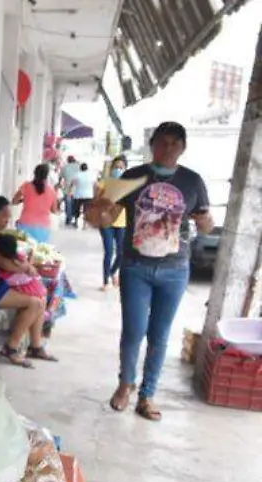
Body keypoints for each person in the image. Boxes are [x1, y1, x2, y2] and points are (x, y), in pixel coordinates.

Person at [87, 122, 214, 421]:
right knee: (133, 331)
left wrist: (205, 221)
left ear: (183, 148)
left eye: (174, 143)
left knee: (160, 334)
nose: (168, 148)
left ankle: (147, 395)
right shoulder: (133, 177)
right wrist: (99, 208)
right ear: (152, 144)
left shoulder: (193, 182)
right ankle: (125, 384)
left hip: (175, 269)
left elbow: (206, 226)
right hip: (135, 267)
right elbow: (103, 219)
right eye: (162, 142)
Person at [0, 191, 58, 367]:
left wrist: (25, 266)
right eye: (3, 216)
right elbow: (5, 264)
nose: (7, 221)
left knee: (41, 297)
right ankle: (11, 347)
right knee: (34, 303)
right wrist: (26, 268)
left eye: (8, 217)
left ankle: (35, 346)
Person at [95, 155, 129, 290]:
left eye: (121, 167)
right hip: (106, 221)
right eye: (116, 167)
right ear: (111, 168)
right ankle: (105, 281)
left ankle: (112, 272)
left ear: (125, 169)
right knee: (108, 251)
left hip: (122, 222)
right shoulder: (104, 182)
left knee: (121, 252)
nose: (118, 170)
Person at [0, 233, 47, 300]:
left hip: (14, 288)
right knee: (40, 297)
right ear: (14, 247)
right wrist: (31, 258)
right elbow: (28, 266)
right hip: (28, 285)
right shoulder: (19, 257)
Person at [12, 163, 60, 243]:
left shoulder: (26, 186)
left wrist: (23, 200)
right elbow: (54, 210)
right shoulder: (51, 191)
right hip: (43, 227)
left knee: (24, 248)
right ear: (46, 176)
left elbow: (14, 201)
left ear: (34, 173)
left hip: (25, 224)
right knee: (40, 249)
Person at [70, 162, 98, 228]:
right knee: (86, 210)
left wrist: (70, 191)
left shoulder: (77, 174)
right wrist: (95, 194)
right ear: (87, 168)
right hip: (89, 195)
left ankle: (76, 222)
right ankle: (84, 225)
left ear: (80, 168)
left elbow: (72, 183)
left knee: (76, 209)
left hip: (78, 195)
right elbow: (95, 185)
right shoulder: (92, 175)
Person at [58, 156, 80, 226]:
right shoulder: (78, 166)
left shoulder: (64, 167)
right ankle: (74, 217)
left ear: (68, 160)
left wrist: (59, 183)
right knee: (75, 204)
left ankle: (68, 218)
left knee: (68, 204)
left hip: (67, 188)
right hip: (76, 188)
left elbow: (60, 177)